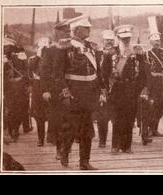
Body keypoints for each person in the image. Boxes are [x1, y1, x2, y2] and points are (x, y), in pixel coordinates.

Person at [56, 16, 104, 170]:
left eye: (89, 28)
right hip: (74, 92)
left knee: (87, 130)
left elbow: (98, 71)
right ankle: (64, 153)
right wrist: (65, 92)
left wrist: (102, 89)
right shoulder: (65, 47)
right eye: (85, 28)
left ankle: (84, 162)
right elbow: (58, 73)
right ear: (76, 30)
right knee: (71, 127)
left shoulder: (91, 47)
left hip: (89, 93)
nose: (89, 30)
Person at [108, 25, 148, 154]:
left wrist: (140, 88)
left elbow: (143, 71)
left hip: (132, 89)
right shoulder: (112, 52)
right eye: (123, 38)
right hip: (117, 89)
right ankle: (115, 145)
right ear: (118, 38)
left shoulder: (136, 52)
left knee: (130, 118)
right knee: (117, 118)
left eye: (128, 38)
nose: (126, 41)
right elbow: (104, 70)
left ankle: (127, 145)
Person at [40, 21, 71, 160]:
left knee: (72, 121)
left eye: (69, 31)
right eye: (65, 32)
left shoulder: (74, 48)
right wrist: (46, 90)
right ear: (57, 33)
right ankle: (60, 149)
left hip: (74, 88)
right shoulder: (50, 50)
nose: (68, 34)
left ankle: (67, 147)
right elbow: (44, 72)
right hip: (56, 89)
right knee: (59, 121)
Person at [4, 37, 31, 143]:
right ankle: (11, 129)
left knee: (18, 110)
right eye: (4, 47)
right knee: (9, 110)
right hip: (7, 88)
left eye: (7, 47)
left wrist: (26, 83)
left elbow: (26, 71)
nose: (5, 49)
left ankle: (15, 129)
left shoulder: (19, 58)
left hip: (18, 87)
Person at [96, 29, 117, 148]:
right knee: (102, 116)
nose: (109, 42)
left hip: (115, 88)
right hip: (101, 87)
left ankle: (117, 141)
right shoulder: (98, 53)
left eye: (111, 40)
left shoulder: (117, 54)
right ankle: (102, 140)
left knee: (115, 115)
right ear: (102, 41)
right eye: (107, 40)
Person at [28, 37, 51, 146]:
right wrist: (38, 55)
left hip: (50, 86)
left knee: (52, 112)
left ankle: (51, 136)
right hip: (38, 88)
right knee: (39, 115)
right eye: (42, 46)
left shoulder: (52, 58)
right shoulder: (33, 58)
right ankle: (40, 138)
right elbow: (31, 68)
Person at [143, 32, 163, 138]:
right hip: (152, 82)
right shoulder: (147, 54)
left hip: (162, 81)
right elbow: (146, 70)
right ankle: (150, 128)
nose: (157, 42)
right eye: (155, 41)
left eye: (158, 40)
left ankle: (155, 129)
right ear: (150, 42)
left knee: (160, 106)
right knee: (151, 105)